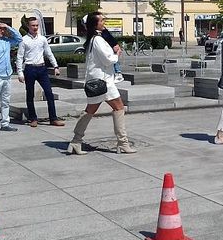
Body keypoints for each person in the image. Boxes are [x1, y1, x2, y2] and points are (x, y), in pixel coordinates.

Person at [67, 12, 136, 155]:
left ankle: (76, 141)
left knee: (90, 110)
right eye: (102, 20)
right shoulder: (97, 40)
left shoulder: (93, 39)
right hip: (103, 82)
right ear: (95, 24)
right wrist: (116, 55)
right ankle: (123, 143)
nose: (104, 22)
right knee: (118, 108)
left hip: (98, 81)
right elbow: (107, 59)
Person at [16, 17, 64, 128]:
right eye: (33, 25)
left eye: (37, 25)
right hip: (30, 68)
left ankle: (53, 118)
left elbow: (49, 53)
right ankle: (33, 118)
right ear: (28, 26)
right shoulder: (24, 40)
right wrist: (20, 73)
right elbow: (19, 57)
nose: (35, 27)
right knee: (30, 94)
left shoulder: (42, 39)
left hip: (42, 68)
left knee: (49, 93)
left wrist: (55, 66)